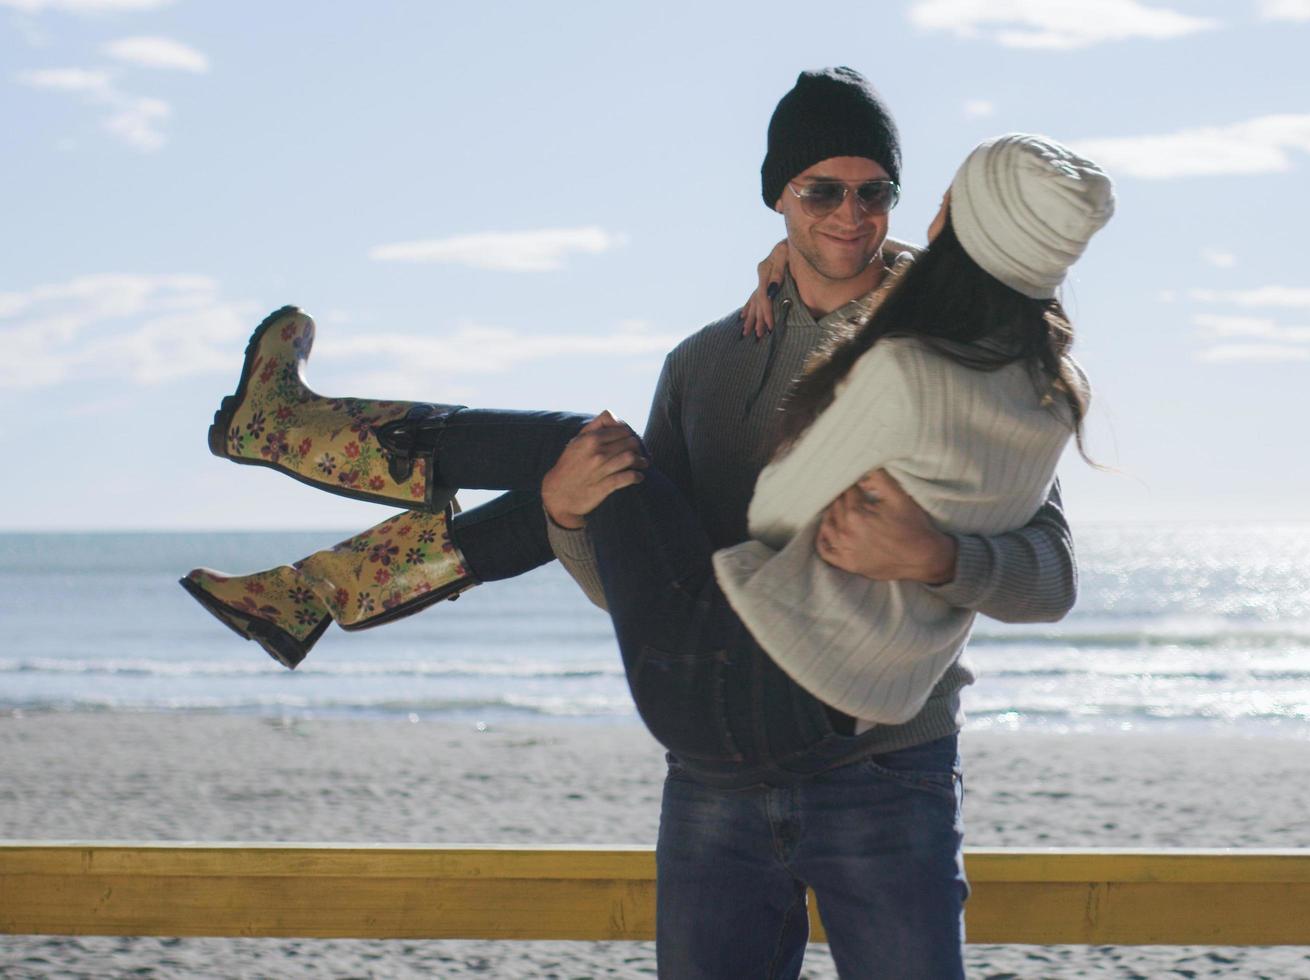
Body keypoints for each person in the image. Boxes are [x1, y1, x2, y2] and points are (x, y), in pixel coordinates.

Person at [181, 68, 1111, 978]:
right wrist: (567, 517)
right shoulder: (705, 365)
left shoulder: (951, 353)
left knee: (579, 450)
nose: (851, 215)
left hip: (887, 772)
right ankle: (317, 570)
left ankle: (315, 552)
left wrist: (935, 553)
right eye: (820, 189)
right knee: (584, 467)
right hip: (715, 772)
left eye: (876, 193)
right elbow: (639, 593)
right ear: (777, 198)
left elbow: (1050, 574)